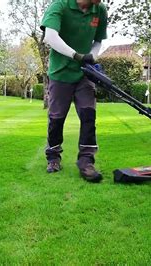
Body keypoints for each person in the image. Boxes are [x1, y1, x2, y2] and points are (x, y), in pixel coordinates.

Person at [40, 0, 107, 183]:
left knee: (88, 114)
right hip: (60, 72)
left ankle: (86, 161)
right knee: (57, 117)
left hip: (85, 73)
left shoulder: (99, 9)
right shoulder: (60, 5)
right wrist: (77, 56)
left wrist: (92, 56)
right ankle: (53, 158)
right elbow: (50, 36)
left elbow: (98, 40)